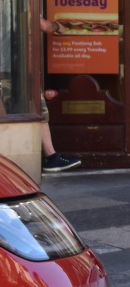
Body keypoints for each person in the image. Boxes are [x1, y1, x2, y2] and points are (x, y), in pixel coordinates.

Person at [38, 17, 81, 172]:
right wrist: (57, 26)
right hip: (18, 67)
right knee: (38, 110)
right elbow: (42, 24)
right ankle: (51, 157)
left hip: (9, 65)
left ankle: (51, 156)